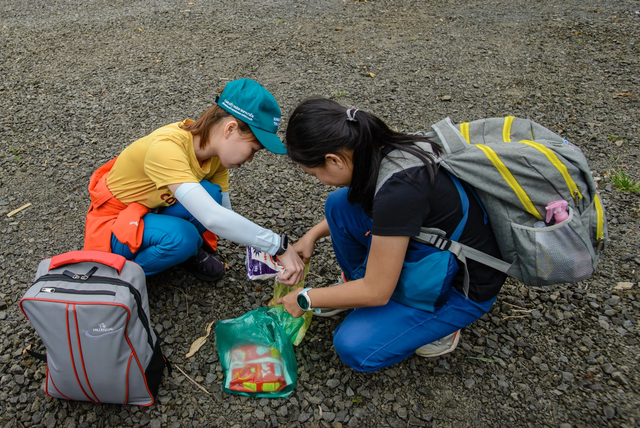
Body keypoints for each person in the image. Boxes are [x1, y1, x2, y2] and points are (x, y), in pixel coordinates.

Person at [274, 98, 506, 372]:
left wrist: (307, 298)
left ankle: (440, 328)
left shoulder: (399, 192)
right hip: (431, 249)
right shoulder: (378, 148)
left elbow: (377, 291)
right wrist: (311, 236)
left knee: (353, 346)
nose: (319, 180)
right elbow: (383, 217)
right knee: (339, 204)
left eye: (314, 173)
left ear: (334, 160)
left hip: (460, 285)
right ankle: (353, 288)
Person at [83, 78, 305, 286]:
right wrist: (279, 246)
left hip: (152, 208)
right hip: (115, 221)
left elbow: (224, 211)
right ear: (230, 129)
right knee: (184, 236)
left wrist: (262, 249)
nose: (249, 159)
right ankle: (122, 277)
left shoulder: (214, 155)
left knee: (211, 194)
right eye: (252, 149)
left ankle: (179, 250)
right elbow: (212, 217)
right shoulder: (166, 148)